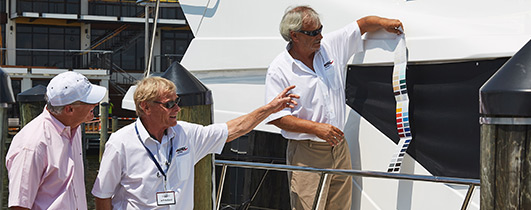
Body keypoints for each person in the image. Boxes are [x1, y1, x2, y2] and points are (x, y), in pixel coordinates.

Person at [264, 6, 403, 210]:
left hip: (339, 147)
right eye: (313, 33)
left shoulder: (329, 45)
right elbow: (277, 117)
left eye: (321, 29)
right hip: (307, 153)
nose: (320, 36)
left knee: (341, 207)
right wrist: (317, 128)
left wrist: (384, 23)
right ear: (294, 35)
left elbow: (362, 25)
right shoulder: (279, 69)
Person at [91, 76, 299, 209]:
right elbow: (103, 196)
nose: (177, 109)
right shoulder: (120, 143)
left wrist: (270, 108)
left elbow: (235, 129)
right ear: (145, 107)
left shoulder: (186, 134)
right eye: (169, 104)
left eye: (177, 102)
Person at [6, 71, 107, 210]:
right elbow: (20, 206)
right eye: (89, 101)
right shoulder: (32, 145)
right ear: (69, 109)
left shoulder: (73, 128)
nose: (95, 104)